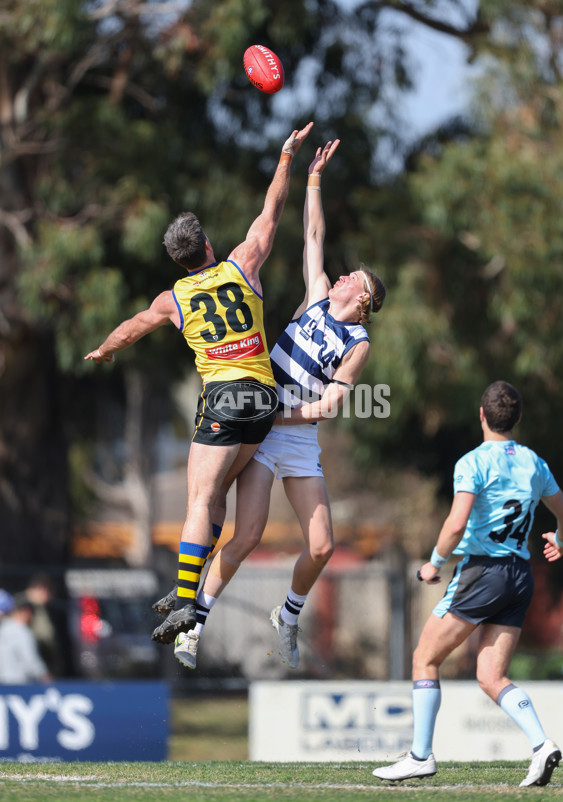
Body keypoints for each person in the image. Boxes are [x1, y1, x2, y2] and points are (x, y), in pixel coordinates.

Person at [85, 122, 313, 644]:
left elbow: (132, 327)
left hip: (223, 398)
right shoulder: (243, 264)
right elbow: (270, 214)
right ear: (208, 244)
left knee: (197, 501)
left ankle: (187, 601)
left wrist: (104, 349)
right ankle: (184, 589)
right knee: (216, 499)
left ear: (178, 260)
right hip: (263, 401)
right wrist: (284, 159)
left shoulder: (173, 299)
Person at [165, 138, 386, 671]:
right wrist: (313, 177)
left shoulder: (357, 345)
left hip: (294, 434)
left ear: (363, 299)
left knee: (322, 546)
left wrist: (279, 416)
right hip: (261, 434)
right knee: (246, 536)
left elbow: (330, 406)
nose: (345, 273)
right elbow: (313, 232)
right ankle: (191, 624)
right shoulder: (314, 295)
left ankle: (288, 615)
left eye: (354, 276)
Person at [372, 380, 563, 788]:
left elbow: (457, 522)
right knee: (490, 675)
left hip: (483, 572)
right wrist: (561, 542)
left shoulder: (473, 461)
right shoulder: (534, 462)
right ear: (516, 419)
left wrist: (433, 563)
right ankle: (541, 744)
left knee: (424, 659)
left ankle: (419, 755)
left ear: (481, 415)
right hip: (520, 576)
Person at [0, 597, 52, 684]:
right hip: (18, 684)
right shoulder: (22, 631)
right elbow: (30, 659)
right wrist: (44, 675)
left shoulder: (3, 628)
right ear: (26, 612)